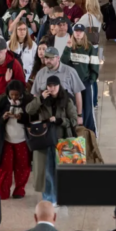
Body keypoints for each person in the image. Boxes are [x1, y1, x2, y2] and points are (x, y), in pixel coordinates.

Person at [26, 76, 77, 205]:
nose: (52, 88)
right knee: (47, 170)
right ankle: (49, 198)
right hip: (45, 139)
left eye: (54, 85)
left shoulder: (67, 100)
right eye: (49, 86)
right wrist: (40, 99)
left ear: (59, 86)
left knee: (62, 170)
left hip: (63, 139)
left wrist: (60, 121)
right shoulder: (42, 99)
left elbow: (74, 121)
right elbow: (29, 110)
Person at [0, 80, 33, 200]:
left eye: (17, 95)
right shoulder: (3, 101)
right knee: (4, 168)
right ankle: (3, 192)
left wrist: (22, 117)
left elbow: (33, 118)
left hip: (23, 140)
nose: (14, 97)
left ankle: (19, 190)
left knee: (23, 167)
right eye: (12, 94)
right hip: (6, 140)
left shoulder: (28, 101)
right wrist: (3, 117)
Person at [30, 47, 85, 125]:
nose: (48, 61)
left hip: (65, 116)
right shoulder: (40, 73)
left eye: (51, 58)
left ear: (58, 58)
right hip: (46, 118)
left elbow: (77, 93)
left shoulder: (70, 72)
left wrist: (79, 115)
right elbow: (36, 95)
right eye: (46, 58)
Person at [61, 24, 99, 133]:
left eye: (80, 31)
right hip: (71, 85)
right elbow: (63, 63)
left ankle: (90, 132)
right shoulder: (69, 46)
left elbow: (95, 66)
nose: (78, 33)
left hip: (85, 83)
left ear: (84, 33)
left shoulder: (89, 47)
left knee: (88, 108)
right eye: (76, 31)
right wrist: (67, 48)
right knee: (72, 107)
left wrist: (90, 81)